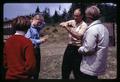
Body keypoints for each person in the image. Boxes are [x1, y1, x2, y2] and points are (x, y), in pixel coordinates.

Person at [78, 6, 109, 79]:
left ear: (88, 17)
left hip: (90, 65)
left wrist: (80, 49)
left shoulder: (92, 29)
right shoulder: (103, 28)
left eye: (86, 16)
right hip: (98, 63)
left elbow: (89, 49)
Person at [60, 8, 88, 79]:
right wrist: (65, 24)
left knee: (77, 70)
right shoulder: (72, 22)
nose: (75, 17)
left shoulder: (84, 25)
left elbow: (79, 36)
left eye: (77, 16)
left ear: (82, 16)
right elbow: (62, 23)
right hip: (69, 47)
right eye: (74, 15)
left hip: (78, 48)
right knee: (65, 68)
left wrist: (67, 28)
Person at [25, 14, 48, 79]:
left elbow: (44, 24)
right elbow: (28, 40)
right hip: (31, 50)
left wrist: (40, 20)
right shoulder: (29, 28)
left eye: (41, 22)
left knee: (37, 68)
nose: (40, 24)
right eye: (39, 22)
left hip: (37, 49)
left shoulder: (36, 27)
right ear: (34, 20)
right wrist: (40, 41)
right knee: (32, 68)